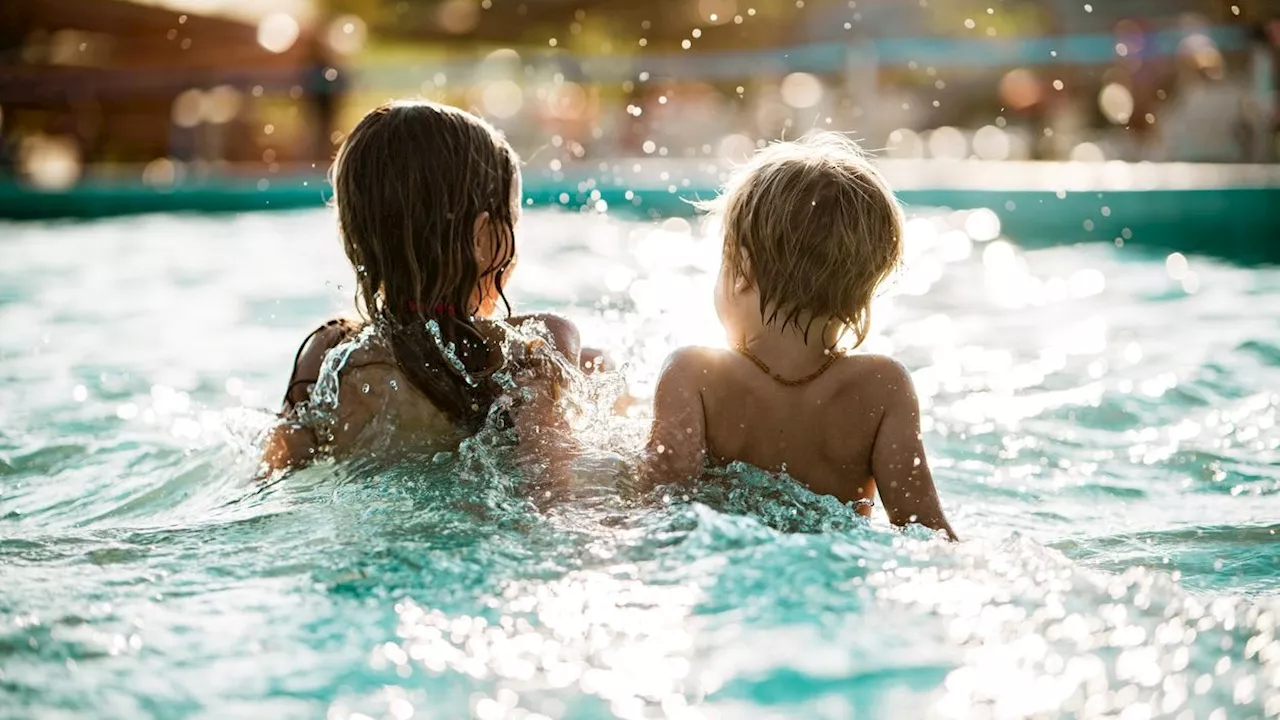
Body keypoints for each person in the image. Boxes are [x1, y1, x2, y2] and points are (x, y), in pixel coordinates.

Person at [642, 133, 956, 540]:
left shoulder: (694, 373)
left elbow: (657, 508)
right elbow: (926, 530)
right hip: (836, 575)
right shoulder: (883, 387)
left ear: (743, 271)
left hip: (728, 564)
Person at [262, 100, 580, 473]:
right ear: (482, 238)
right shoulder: (531, 344)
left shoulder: (327, 355)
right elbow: (550, 483)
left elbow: (273, 474)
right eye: (511, 220)